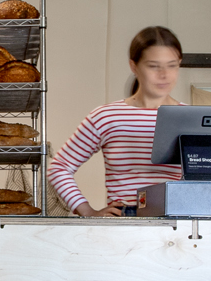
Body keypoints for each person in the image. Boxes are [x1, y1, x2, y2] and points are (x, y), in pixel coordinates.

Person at [48, 26, 185, 217]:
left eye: (172, 65)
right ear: (134, 66)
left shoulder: (189, 118)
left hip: (178, 218)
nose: (164, 74)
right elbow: (59, 168)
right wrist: (88, 212)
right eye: (153, 66)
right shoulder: (106, 116)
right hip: (123, 219)